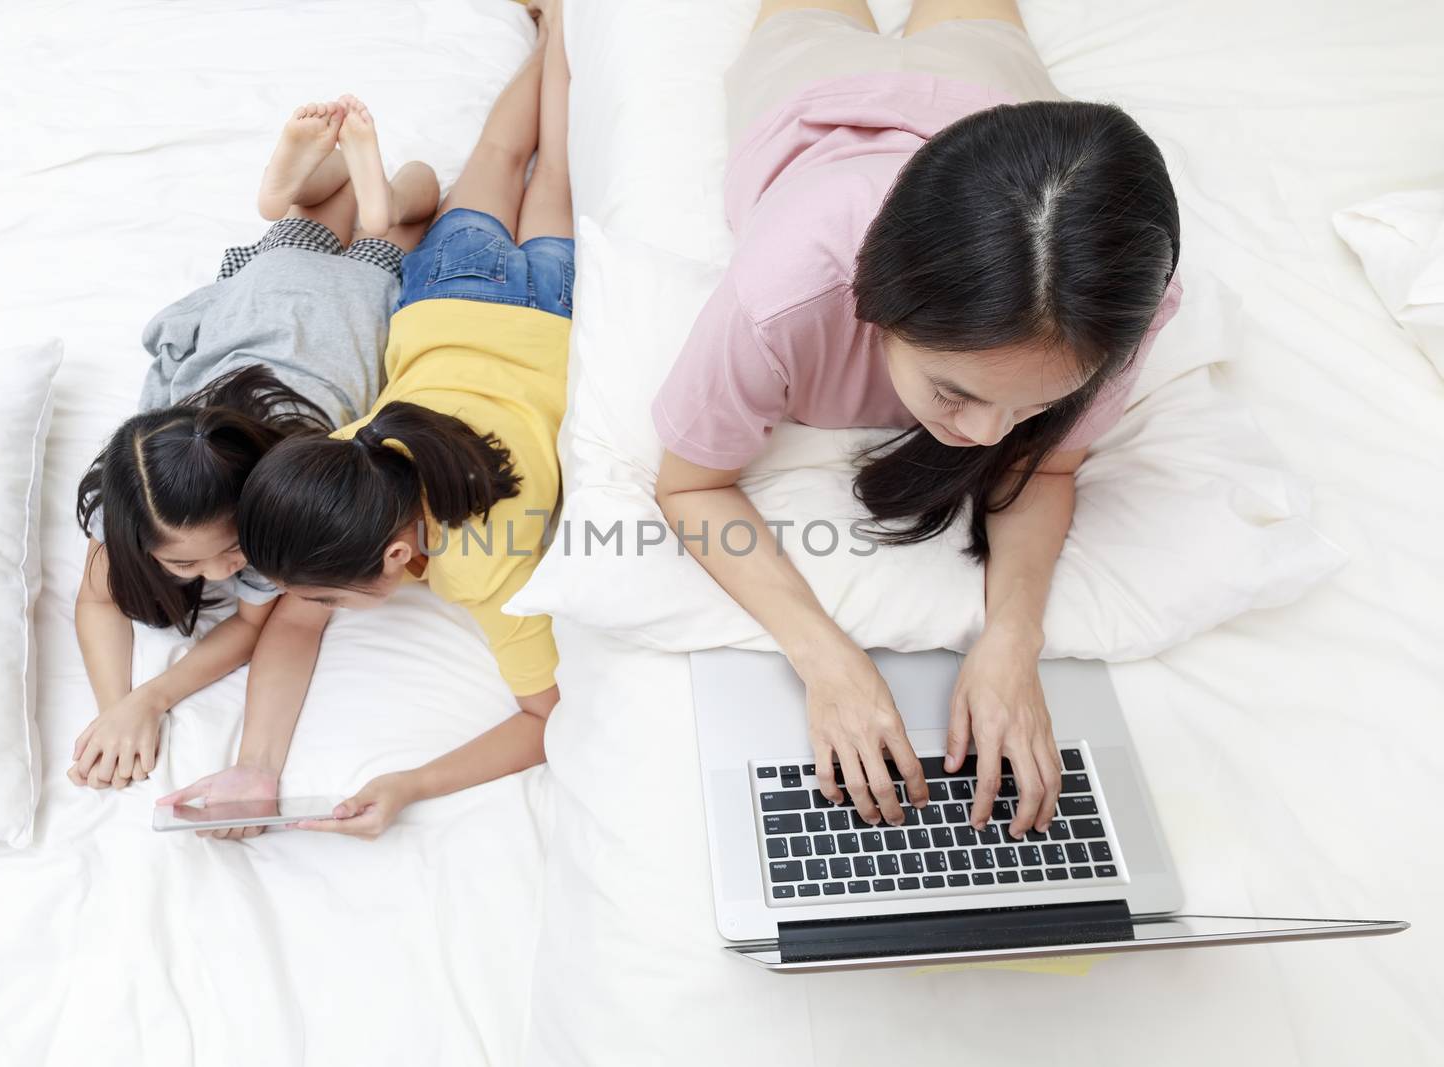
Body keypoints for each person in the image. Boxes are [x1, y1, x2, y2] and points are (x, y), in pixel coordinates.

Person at [653, 0, 1182, 839]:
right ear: (878, 305)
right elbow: (689, 485)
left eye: (1036, 406)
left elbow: (1046, 468)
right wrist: (826, 659)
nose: (988, 437)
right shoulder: (785, 292)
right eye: (954, 393)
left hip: (990, 101)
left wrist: (1013, 635)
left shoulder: (1120, 307)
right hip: (813, 92)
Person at [159, 0, 573, 840]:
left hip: (552, 311)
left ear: (396, 556)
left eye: (320, 593)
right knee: (513, 152)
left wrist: (411, 782)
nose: (305, 607)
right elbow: (299, 611)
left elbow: (545, 719)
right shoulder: (351, 456)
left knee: (555, 166)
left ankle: (566, 25)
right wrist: (259, 767)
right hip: (450, 296)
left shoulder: (486, 564)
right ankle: (562, 21)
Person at [70, 98, 440, 788]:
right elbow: (95, 597)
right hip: (268, 290)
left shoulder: (288, 499)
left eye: (231, 550)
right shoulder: (150, 474)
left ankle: (372, 189)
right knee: (332, 215)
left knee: (409, 213)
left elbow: (254, 627)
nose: (217, 573)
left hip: (350, 299)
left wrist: (153, 697)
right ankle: (331, 182)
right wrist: (114, 708)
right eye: (187, 564)